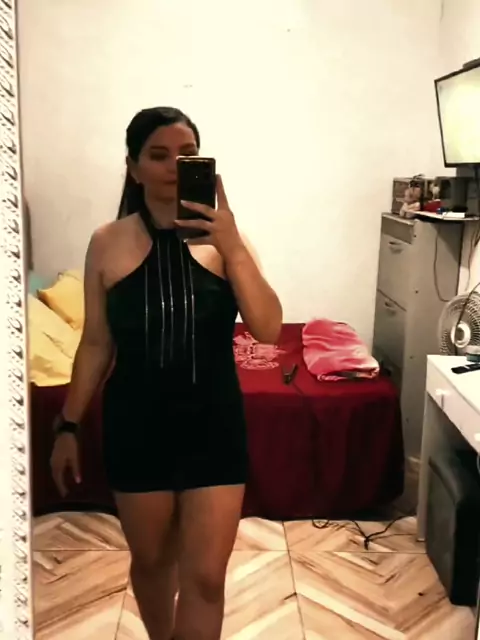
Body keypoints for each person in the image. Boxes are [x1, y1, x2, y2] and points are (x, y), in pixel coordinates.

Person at [50, 106, 282, 640]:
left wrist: (232, 245)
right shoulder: (106, 242)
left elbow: (269, 329)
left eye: (187, 154)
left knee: (206, 578)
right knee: (153, 563)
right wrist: (68, 425)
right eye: (158, 155)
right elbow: (96, 343)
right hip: (136, 426)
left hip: (214, 426)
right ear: (133, 167)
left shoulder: (227, 242)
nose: (174, 166)